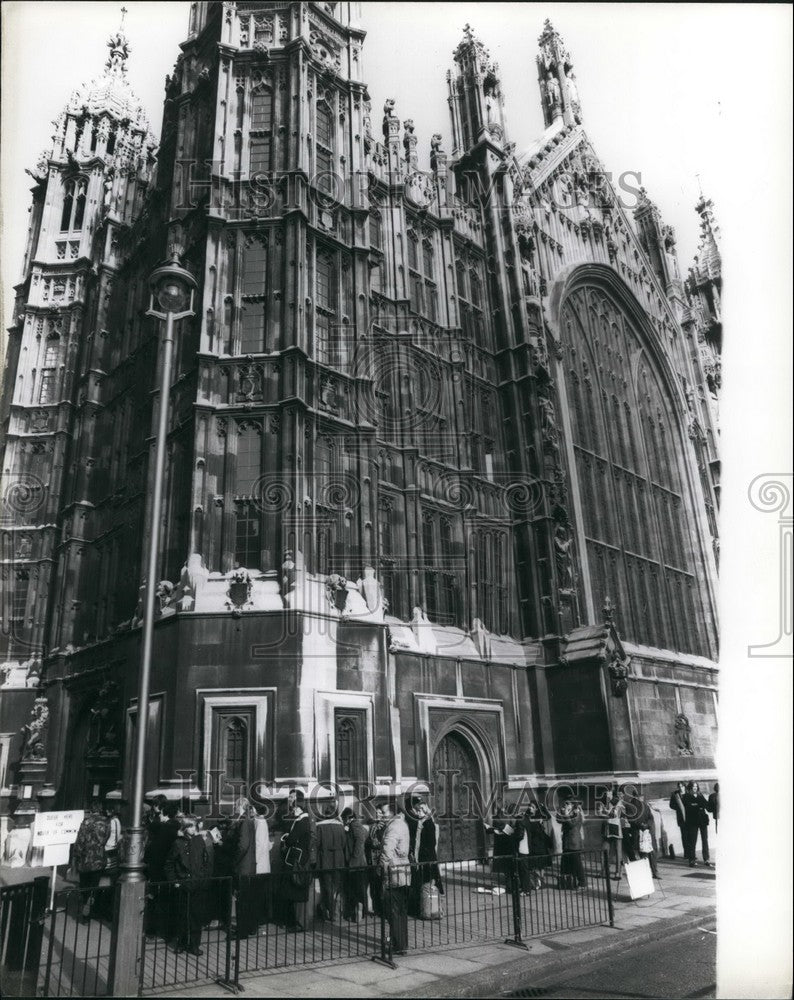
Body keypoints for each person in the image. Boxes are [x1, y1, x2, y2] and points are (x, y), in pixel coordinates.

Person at [164, 815, 214, 955]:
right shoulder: (178, 843)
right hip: (184, 883)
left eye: (194, 826)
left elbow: (205, 860)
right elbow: (169, 864)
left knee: (196, 915)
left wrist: (203, 878)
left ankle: (194, 944)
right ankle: (181, 943)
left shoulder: (199, 841)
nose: (193, 829)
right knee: (182, 915)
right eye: (190, 826)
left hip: (197, 883)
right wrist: (175, 881)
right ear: (185, 828)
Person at [378, 800, 411, 955]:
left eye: (384, 812)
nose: (382, 815)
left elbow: (387, 852)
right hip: (403, 872)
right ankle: (401, 943)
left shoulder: (393, 827)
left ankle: (398, 945)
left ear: (392, 812)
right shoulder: (401, 823)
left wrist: (382, 870)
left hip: (394, 873)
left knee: (394, 911)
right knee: (400, 911)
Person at [144, 799, 180, 936]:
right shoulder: (177, 828)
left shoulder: (162, 829)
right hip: (173, 871)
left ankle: (152, 930)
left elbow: (154, 851)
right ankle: (169, 932)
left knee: (156, 900)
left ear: (164, 813)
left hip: (158, 870)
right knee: (169, 901)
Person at [279, 790, 312, 931]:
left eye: (292, 798)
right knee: (293, 891)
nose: (290, 801)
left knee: (294, 891)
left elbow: (292, 839)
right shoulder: (301, 820)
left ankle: (297, 923)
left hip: (297, 861)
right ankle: (295, 922)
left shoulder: (301, 821)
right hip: (296, 859)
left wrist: (286, 838)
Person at [72, 800, 110, 920]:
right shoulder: (106, 822)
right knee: (94, 884)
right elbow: (106, 838)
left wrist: (76, 856)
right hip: (99, 858)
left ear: (91, 809)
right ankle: (91, 903)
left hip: (85, 859)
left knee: (84, 884)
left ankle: (85, 904)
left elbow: (80, 841)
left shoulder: (86, 822)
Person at [406, 798, 443, 917]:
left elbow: (431, 843)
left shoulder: (428, 823)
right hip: (421, 858)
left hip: (427, 859)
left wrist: (424, 856)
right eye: (417, 810)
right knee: (423, 883)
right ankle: (424, 908)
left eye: (420, 810)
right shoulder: (421, 822)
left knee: (428, 882)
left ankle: (430, 909)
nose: (418, 813)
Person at [227, 798, 257, 937]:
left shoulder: (244, 821)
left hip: (243, 866)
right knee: (247, 899)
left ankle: (242, 931)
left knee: (242, 899)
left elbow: (243, 845)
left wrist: (234, 860)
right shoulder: (249, 820)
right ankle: (250, 927)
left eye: (236, 805)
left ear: (241, 806)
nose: (234, 808)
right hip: (249, 865)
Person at [316, 802, 347, 921]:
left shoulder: (320, 826)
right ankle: (337, 912)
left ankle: (330, 911)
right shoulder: (340, 826)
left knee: (326, 886)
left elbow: (317, 844)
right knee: (337, 886)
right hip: (339, 859)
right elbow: (344, 843)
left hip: (325, 859)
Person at [518, 801, 553, 891]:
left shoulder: (539, 815)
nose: (530, 808)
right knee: (534, 864)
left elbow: (548, 817)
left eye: (532, 807)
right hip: (532, 843)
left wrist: (543, 808)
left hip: (541, 842)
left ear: (536, 809)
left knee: (541, 864)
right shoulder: (527, 816)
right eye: (529, 806)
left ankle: (541, 880)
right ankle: (537, 881)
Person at [341, 806, 368, 922]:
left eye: (344, 819)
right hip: (358, 864)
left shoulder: (355, 825)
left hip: (356, 865)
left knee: (356, 890)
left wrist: (353, 859)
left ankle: (359, 913)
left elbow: (359, 841)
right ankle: (359, 913)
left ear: (348, 818)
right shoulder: (356, 825)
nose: (343, 821)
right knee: (357, 889)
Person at [630, 790, 660, 879]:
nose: (642, 798)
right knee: (647, 853)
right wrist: (645, 825)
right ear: (636, 796)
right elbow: (633, 819)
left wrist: (644, 825)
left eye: (642, 796)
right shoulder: (635, 806)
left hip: (644, 832)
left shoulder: (643, 806)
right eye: (640, 796)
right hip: (642, 832)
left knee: (646, 853)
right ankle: (652, 872)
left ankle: (651, 872)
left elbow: (650, 817)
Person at [558, 799, 587, 889]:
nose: (566, 805)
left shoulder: (577, 813)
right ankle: (569, 882)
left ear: (573, 805)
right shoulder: (568, 813)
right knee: (566, 863)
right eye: (565, 803)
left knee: (577, 863)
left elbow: (571, 824)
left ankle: (582, 882)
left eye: (568, 804)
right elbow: (558, 820)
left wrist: (566, 814)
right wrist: (562, 813)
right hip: (567, 842)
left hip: (574, 843)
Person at [683, 781, 712, 868]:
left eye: (696, 786)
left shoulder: (700, 795)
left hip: (702, 820)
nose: (695, 788)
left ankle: (706, 859)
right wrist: (698, 805)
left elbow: (707, 805)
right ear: (690, 788)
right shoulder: (686, 796)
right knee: (692, 840)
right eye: (693, 786)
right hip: (692, 821)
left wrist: (712, 803)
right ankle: (692, 860)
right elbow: (688, 806)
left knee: (705, 840)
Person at [253, 806, 272, 927]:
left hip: (259, 864)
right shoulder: (263, 821)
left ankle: (259, 918)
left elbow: (259, 844)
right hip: (264, 863)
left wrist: (254, 861)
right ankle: (262, 917)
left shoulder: (258, 822)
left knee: (258, 893)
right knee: (262, 892)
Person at [365, 808, 386, 917]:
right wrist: (370, 842)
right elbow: (368, 841)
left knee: (380, 885)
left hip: (380, 859)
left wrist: (375, 843)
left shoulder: (384, 826)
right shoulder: (372, 826)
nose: (378, 814)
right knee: (374, 886)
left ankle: (382, 909)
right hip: (372, 860)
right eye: (376, 812)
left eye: (380, 812)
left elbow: (384, 842)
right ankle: (376, 908)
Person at [602, 795, 623, 879]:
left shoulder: (619, 803)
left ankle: (618, 872)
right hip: (608, 830)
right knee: (605, 850)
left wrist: (605, 811)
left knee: (618, 852)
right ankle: (604, 871)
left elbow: (615, 814)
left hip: (617, 830)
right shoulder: (607, 803)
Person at [669, 782, 687, 860]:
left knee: (691, 836)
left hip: (690, 818)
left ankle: (692, 853)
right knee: (684, 836)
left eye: (682, 786)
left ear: (684, 786)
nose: (680, 788)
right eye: (679, 786)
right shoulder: (675, 794)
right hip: (681, 818)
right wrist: (679, 807)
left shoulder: (688, 793)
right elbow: (671, 805)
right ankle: (686, 854)